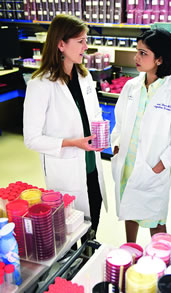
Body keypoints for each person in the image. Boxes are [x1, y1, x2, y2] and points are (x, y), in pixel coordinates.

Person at [23, 14, 108, 237]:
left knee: (94, 220)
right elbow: (31, 139)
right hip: (66, 169)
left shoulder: (85, 77)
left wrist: (102, 133)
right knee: (71, 229)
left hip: (91, 165)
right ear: (61, 44)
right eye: (80, 41)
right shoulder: (40, 84)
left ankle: (89, 257)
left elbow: (95, 114)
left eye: (85, 40)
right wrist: (72, 143)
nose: (86, 46)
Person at [111, 28, 171, 243]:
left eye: (143, 53)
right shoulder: (131, 86)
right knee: (129, 210)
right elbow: (118, 123)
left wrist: (159, 165)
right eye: (137, 51)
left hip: (152, 166)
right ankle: (131, 250)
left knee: (155, 220)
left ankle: (159, 257)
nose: (136, 58)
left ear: (159, 59)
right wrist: (117, 144)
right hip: (128, 162)